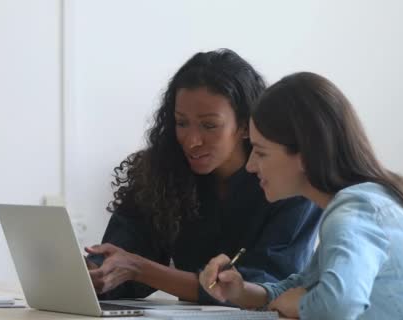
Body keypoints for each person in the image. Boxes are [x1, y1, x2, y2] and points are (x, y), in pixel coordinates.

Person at [199, 72, 403, 319]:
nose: (250, 166)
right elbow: (305, 284)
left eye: (261, 152)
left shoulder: (357, 209)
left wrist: (301, 304)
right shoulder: (364, 202)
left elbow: (337, 305)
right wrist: (241, 290)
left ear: (305, 154)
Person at [85, 49, 322, 304]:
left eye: (209, 125)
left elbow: (261, 288)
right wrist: (96, 273)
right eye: (181, 123)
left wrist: (138, 268)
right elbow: (125, 256)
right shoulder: (160, 174)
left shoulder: (292, 183)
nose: (192, 141)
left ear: (245, 125)